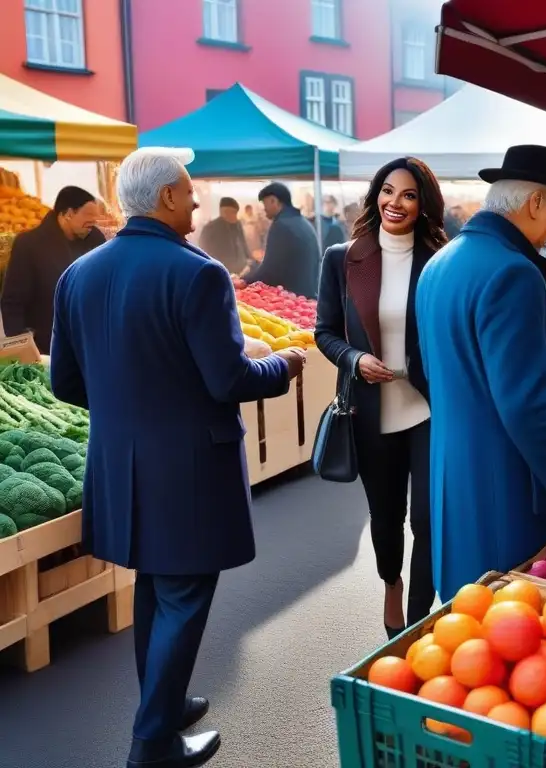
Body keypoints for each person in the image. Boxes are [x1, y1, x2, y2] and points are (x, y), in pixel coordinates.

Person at [49, 148, 306, 768]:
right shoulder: (199, 274)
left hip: (120, 461)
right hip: (189, 466)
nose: (195, 202)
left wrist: (124, 406)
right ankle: (153, 743)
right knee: (184, 595)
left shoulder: (78, 273)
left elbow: (64, 384)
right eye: (189, 193)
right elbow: (229, 380)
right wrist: (284, 365)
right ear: (165, 197)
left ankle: (158, 704)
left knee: (153, 587)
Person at [416, 144, 546, 600]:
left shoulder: (440, 262)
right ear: (534, 202)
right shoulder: (513, 272)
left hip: (451, 476)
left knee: (461, 625)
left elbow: (428, 372)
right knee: (505, 624)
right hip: (507, 483)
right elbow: (527, 400)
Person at [315, 158, 445, 637]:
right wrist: (354, 359)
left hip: (429, 409)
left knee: (428, 519)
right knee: (386, 517)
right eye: (388, 191)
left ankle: (417, 618)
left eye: (409, 195)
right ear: (375, 196)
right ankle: (391, 582)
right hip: (370, 411)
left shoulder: (439, 258)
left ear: (423, 204)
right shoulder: (341, 258)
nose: (396, 202)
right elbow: (324, 331)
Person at [1, 186, 104, 353]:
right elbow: (13, 302)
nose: (93, 221)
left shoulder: (96, 239)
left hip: (90, 344)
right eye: (88, 215)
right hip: (46, 346)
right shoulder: (29, 244)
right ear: (68, 213)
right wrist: (21, 347)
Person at [239, 182, 320, 297]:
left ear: (273, 201)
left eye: (264, 203)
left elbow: (269, 269)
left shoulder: (281, 225)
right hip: (308, 295)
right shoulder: (302, 222)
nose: (264, 209)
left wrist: (244, 281)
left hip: (293, 299)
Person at [198, 197, 251, 276]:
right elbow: (203, 250)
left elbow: (243, 243)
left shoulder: (237, 225)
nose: (235, 216)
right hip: (221, 272)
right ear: (224, 212)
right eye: (233, 213)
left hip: (241, 270)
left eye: (236, 213)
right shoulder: (210, 228)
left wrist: (249, 259)